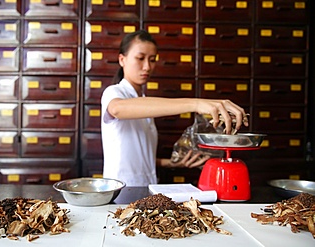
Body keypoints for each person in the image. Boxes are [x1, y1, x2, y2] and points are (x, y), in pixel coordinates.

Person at [101, 30, 249, 186]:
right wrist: (196, 104)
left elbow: (138, 157)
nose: (147, 66)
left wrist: (171, 163)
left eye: (152, 60)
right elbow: (117, 109)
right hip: (121, 189)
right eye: (140, 58)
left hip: (146, 186)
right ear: (122, 59)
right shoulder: (114, 92)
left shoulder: (143, 101)